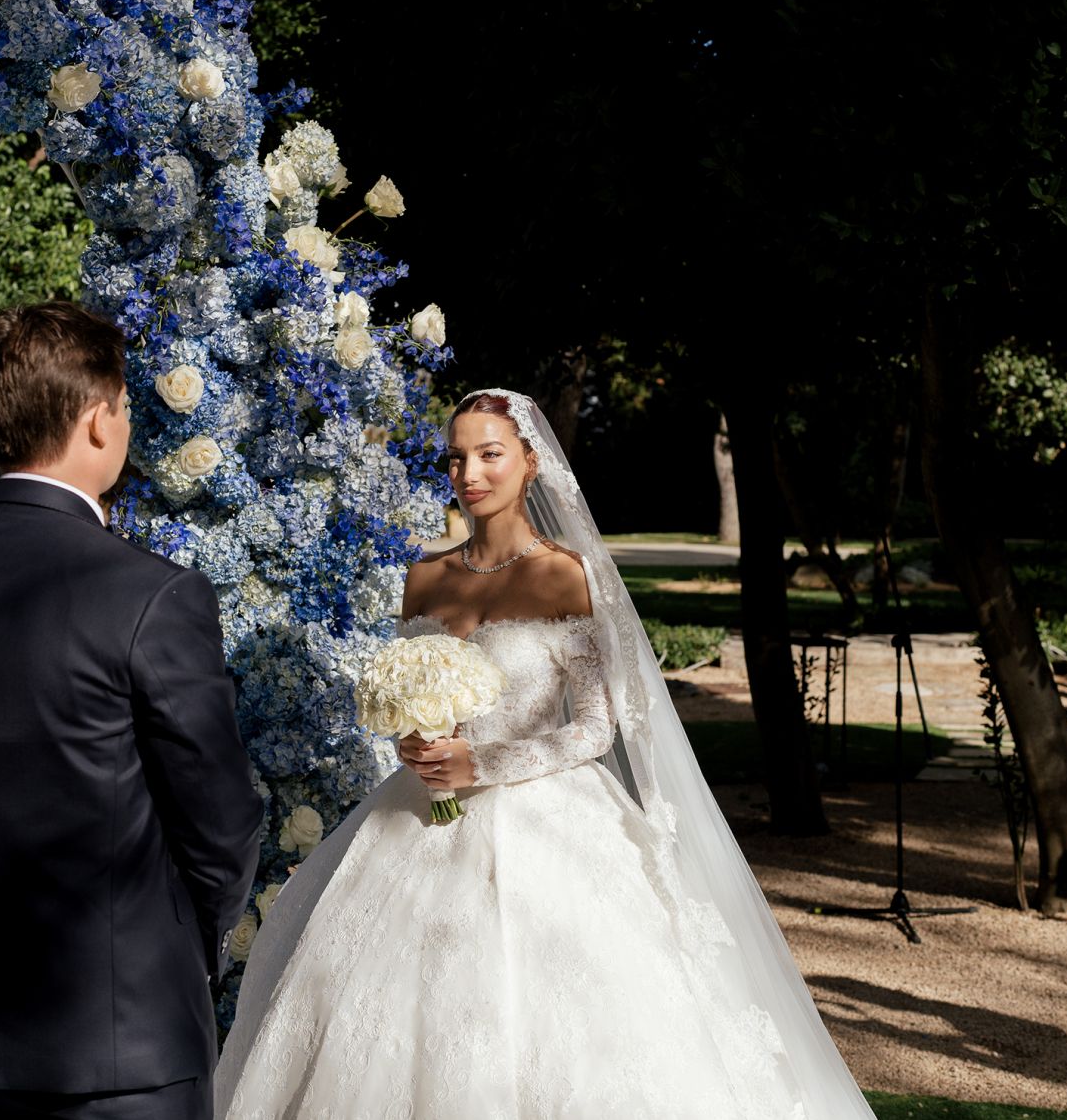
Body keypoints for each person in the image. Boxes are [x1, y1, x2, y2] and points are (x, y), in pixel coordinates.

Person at [214, 388, 877, 1119]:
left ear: (530, 462)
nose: (470, 473)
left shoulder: (565, 574)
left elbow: (595, 728)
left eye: (489, 454)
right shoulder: (424, 577)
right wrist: (412, 738)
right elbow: (410, 696)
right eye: (457, 457)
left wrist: (483, 766)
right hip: (417, 820)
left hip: (544, 819)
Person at [0, 300, 264, 1119]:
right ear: (96, 420)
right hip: (123, 1050)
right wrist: (191, 949)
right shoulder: (153, 595)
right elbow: (222, 825)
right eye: (123, 405)